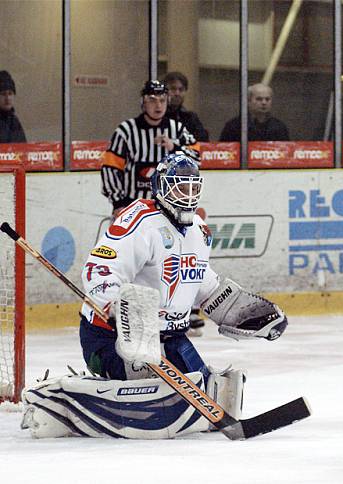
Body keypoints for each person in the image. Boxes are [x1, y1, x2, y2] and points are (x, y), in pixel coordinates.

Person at [20, 154, 289, 439]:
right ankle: (56, 398)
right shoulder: (139, 222)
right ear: (161, 188)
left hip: (169, 339)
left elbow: (203, 285)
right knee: (154, 395)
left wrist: (239, 310)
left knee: (216, 391)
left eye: (192, 187)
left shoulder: (199, 230)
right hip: (113, 338)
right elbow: (98, 270)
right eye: (179, 187)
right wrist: (116, 308)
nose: (187, 195)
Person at [101, 80, 199, 218]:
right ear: (143, 103)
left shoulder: (177, 129)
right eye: (152, 100)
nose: (158, 105)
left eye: (162, 100)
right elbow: (110, 168)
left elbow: (196, 159)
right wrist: (118, 203)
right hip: (132, 207)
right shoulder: (126, 131)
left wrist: (174, 147)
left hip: (169, 206)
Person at [219, 83, 289, 142]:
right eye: (259, 99)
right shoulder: (234, 126)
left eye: (267, 99)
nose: (264, 102)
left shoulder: (279, 127)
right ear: (248, 101)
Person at [163, 71, 210, 142]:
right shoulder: (156, 116)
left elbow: (203, 143)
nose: (177, 93)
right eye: (173, 89)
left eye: (181, 90)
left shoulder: (190, 118)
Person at [0, 71, 26, 143]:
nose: (7, 98)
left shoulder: (15, 121)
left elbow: (24, 148)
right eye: (3, 94)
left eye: (10, 93)